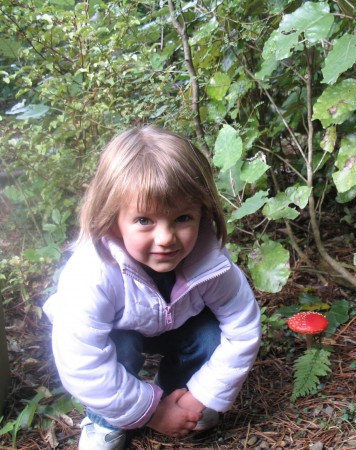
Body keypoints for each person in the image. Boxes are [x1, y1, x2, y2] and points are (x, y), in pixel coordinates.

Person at [43, 125, 262, 449]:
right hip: (120, 331)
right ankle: (107, 420)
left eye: (183, 218)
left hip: (179, 326)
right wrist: (153, 411)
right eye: (144, 220)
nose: (166, 238)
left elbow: (243, 326)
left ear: (203, 212)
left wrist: (200, 394)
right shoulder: (93, 273)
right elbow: (82, 361)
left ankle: (180, 393)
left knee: (209, 337)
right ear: (112, 216)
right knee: (122, 350)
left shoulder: (210, 262)